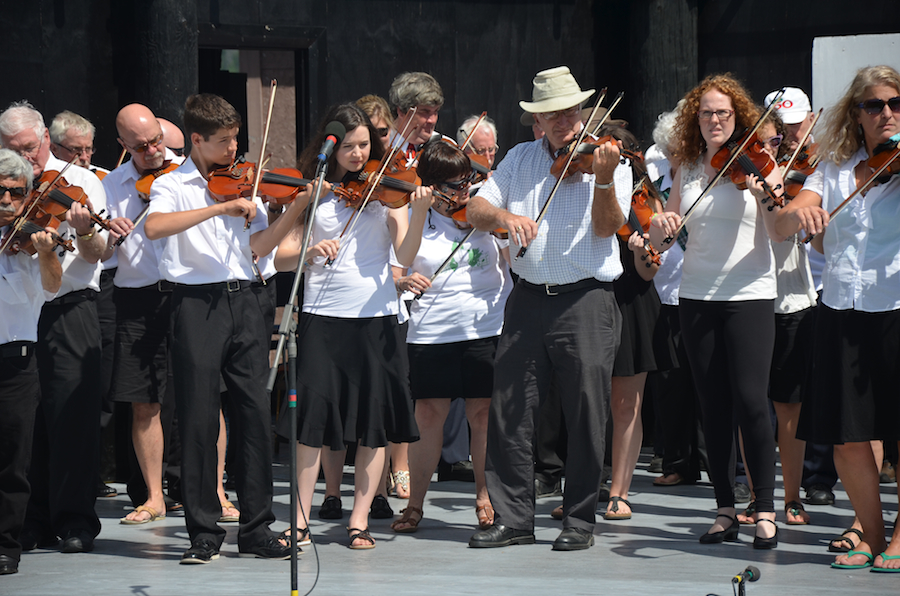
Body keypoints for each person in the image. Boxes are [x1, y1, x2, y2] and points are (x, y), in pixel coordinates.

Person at [466, 66, 630, 551]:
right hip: (528, 298)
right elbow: (477, 209)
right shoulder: (518, 158)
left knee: (585, 411)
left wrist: (601, 180)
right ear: (538, 120)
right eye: (554, 114)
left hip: (586, 299)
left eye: (572, 111)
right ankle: (514, 518)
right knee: (511, 412)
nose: (565, 121)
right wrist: (505, 216)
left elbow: (607, 229)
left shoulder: (605, 158)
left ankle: (579, 519)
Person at [144, 93, 304, 564]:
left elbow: (259, 246)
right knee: (196, 417)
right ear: (195, 140)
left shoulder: (245, 183)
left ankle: (257, 529)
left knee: (254, 415)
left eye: (236, 139)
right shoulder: (171, 185)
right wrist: (219, 208)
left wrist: (293, 210)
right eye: (222, 142)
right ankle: (204, 534)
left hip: (249, 297)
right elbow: (155, 228)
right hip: (197, 304)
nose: (233, 149)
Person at [274, 103, 429, 549]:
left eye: (365, 145)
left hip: (375, 320)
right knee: (312, 424)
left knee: (373, 426)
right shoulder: (314, 191)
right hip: (323, 319)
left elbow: (406, 255)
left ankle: (359, 518)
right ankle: (301, 519)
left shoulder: (387, 193)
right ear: (331, 144)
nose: (358, 154)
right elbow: (280, 255)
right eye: (349, 146)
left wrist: (418, 212)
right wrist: (307, 252)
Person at [648, 74, 785, 549]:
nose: (714, 120)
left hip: (750, 293)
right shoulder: (685, 166)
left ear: (738, 116)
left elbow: (779, 229)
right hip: (697, 295)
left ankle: (765, 508)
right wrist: (659, 228)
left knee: (751, 399)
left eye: (723, 112)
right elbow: (665, 236)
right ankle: (725, 508)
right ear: (695, 119)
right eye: (706, 112)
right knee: (714, 405)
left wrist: (765, 192)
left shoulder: (760, 165)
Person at [776, 64, 900, 571]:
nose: (887, 114)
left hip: (895, 306)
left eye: (895, 104)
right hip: (842, 309)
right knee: (849, 435)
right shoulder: (834, 167)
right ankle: (870, 533)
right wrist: (797, 213)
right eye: (875, 105)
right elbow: (787, 219)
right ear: (857, 113)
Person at [0, 101, 109, 555]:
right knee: (26, 422)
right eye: (12, 150)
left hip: (69, 304)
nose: (24, 159)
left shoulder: (81, 181)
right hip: (17, 315)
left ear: (45, 137)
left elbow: (97, 252)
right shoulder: (11, 184)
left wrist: (83, 231)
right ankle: (29, 519)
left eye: (28, 148)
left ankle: (75, 519)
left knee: (73, 416)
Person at [388, 140, 510, 533]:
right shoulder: (412, 212)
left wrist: (498, 220)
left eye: (466, 183)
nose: (463, 193)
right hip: (433, 330)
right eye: (453, 186)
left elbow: (512, 252)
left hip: (486, 326)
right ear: (430, 184)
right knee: (428, 415)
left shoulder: (479, 209)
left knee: (482, 415)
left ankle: (484, 494)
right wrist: (405, 279)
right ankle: (416, 505)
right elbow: (394, 268)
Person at [100, 104, 177, 525]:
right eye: (141, 146)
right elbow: (102, 257)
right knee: (143, 402)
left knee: (205, 399)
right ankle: (153, 496)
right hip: (137, 298)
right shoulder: (112, 185)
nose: (152, 152)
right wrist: (110, 237)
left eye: (156, 141)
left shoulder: (189, 173)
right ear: (123, 146)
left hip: (187, 295)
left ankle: (217, 493)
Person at [0, 149, 62, 576]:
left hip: (15, 363)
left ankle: (5, 545)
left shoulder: (36, 239)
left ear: (27, 198)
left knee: (12, 461)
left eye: (15, 192)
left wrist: (45, 252)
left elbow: (53, 288)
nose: (5, 199)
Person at [603, 127, 666, 522]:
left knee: (626, 404)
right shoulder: (587, 186)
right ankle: (587, 483)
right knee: (587, 403)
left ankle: (619, 491)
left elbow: (647, 274)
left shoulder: (647, 200)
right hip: (590, 296)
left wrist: (645, 251)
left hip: (632, 301)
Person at [48, 110, 108, 178]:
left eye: (88, 149)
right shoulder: (43, 178)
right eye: (76, 149)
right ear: (54, 149)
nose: (84, 157)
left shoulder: (106, 179)